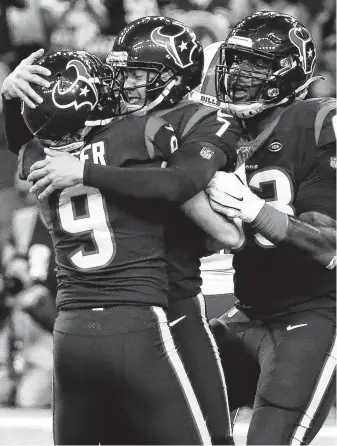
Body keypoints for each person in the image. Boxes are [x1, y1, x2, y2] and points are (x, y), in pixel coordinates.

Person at [2, 16, 243, 445]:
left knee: (209, 431)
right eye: (121, 73)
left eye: (137, 74)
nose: (126, 84)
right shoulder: (140, 129)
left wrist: (17, 104)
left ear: (173, 75)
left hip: (158, 300)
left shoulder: (195, 119)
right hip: (139, 305)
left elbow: (179, 183)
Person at [192, 11, 335, 445]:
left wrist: (255, 210)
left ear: (289, 72)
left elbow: (331, 244)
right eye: (234, 62)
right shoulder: (222, 133)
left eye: (255, 65)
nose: (238, 75)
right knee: (173, 421)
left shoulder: (318, 122)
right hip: (248, 310)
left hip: (315, 313)